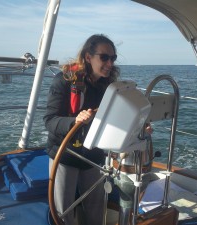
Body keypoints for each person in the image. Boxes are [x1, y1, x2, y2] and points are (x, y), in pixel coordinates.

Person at [43, 34, 120, 225]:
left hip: (93, 154)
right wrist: (73, 121)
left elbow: (118, 116)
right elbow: (50, 120)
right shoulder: (64, 81)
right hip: (65, 154)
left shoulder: (109, 86)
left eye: (113, 58)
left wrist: (139, 124)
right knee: (63, 211)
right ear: (88, 57)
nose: (109, 63)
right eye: (104, 57)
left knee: (96, 207)